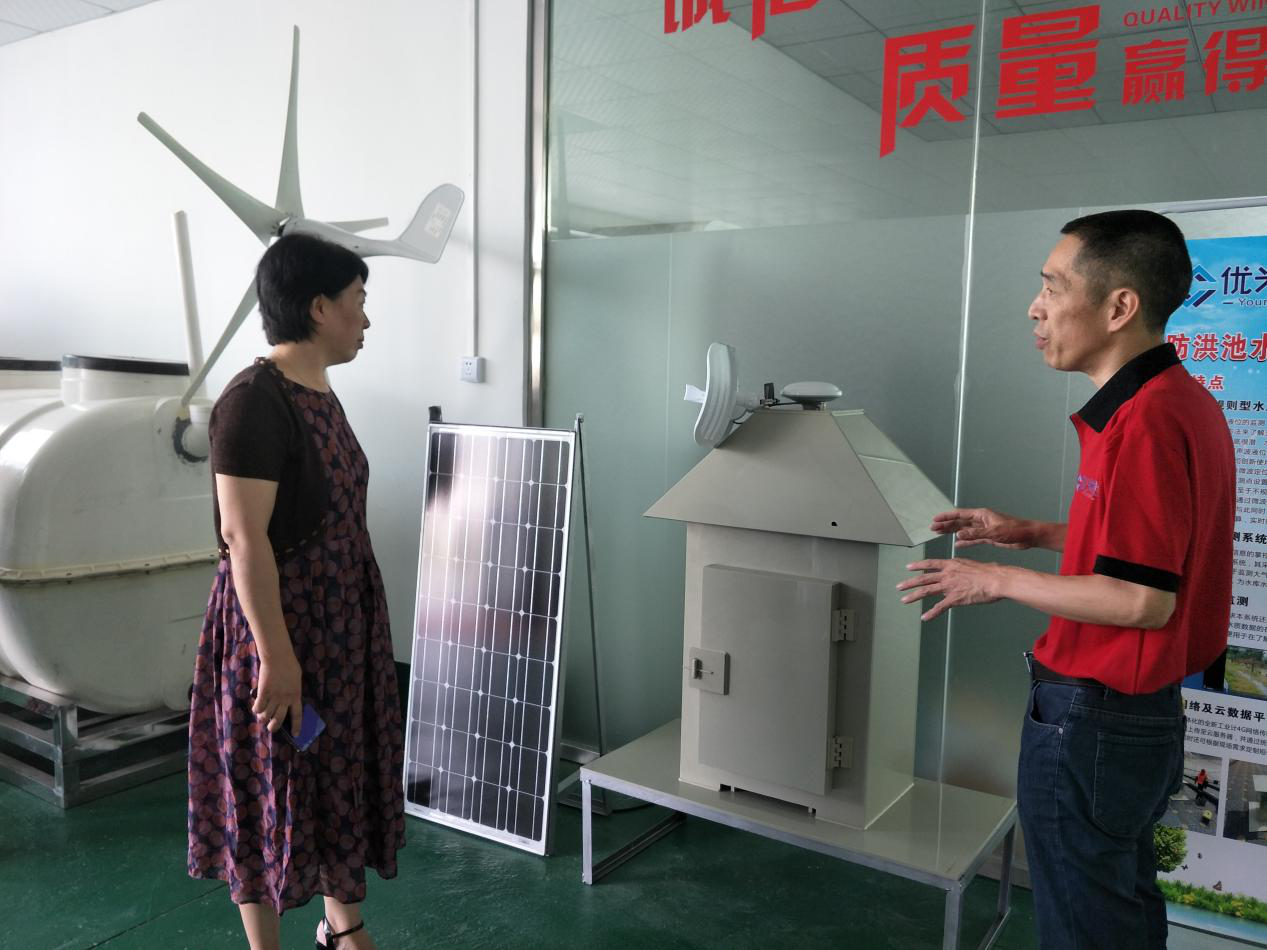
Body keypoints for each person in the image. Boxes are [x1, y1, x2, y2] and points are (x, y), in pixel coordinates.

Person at [896, 210, 1234, 950]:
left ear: (1119, 307)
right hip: (1133, 716)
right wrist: (1032, 532)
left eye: (1052, 286)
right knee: (1117, 903)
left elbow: (1141, 600)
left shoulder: (1144, 421)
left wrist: (994, 578)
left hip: (1095, 718)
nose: (1035, 307)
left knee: (1084, 921)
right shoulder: (1176, 399)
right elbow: (1149, 550)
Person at [187, 233, 405, 950]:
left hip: (338, 626)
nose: (365, 318)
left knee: (335, 775)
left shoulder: (317, 392)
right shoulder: (254, 401)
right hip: (279, 627)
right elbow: (243, 539)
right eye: (358, 301)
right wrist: (277, 657)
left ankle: (343, 928)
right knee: (268, 782)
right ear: (318, 307)